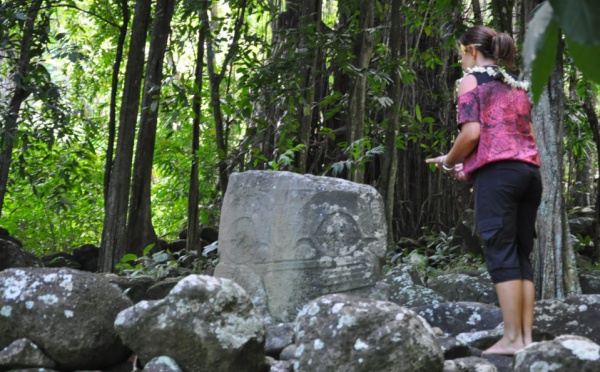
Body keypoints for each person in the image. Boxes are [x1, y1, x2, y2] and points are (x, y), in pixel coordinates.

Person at [425, 25, 542, 356]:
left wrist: (450, 161)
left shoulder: (472, 80)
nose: (461, 60)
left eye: (461, 53)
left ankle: (511, 339)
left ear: (471, 50)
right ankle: (525, 339)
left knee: (499, 249)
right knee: (520, 253)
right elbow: (521, 135)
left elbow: (472, 133)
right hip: (528, 174)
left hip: (500, 177)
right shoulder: (515, 85)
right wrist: (473, 165)